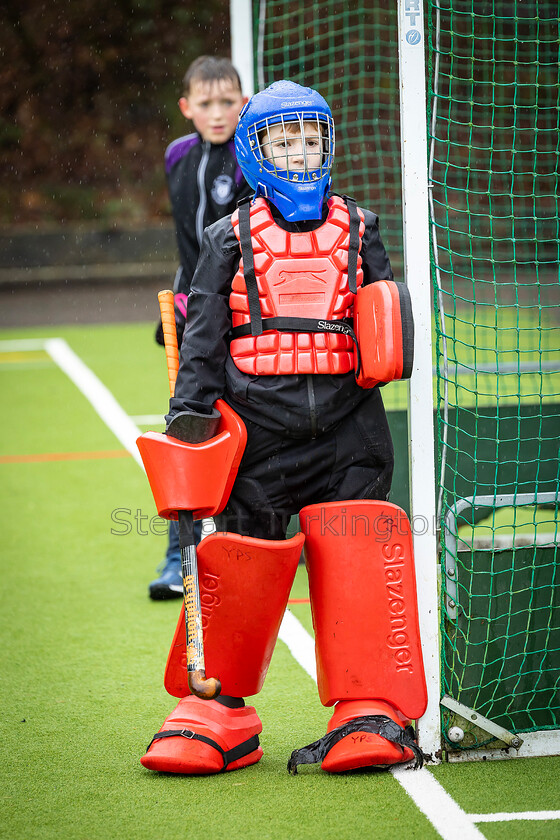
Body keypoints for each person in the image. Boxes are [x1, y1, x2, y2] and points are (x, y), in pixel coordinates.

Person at [140, 80, 427, 775]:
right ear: (254, 150)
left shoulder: (360, 227)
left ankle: (369, 707)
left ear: (328, 145)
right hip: (256, 432)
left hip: (348, 431)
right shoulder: (228, 235)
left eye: (311, 139)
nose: (299, 154)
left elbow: (379, 316)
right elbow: (204, 332)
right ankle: (221, 709)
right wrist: (190, 418)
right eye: (283, 140)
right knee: (238, 561)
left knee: (357, 558)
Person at [149, 56, 251, 600]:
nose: (218, 113)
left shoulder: (252, 154)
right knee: (187, 429)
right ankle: (178, 555)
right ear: (187, 108)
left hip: (240, 316)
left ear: (243, 101)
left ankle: (249, 538)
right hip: (194, 314)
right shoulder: (177, 156)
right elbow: (192, 248)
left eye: (228, 102)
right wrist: (184, 300)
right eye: (205, 104)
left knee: (249, 423)